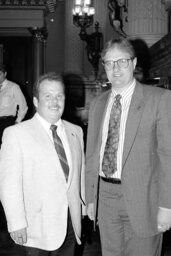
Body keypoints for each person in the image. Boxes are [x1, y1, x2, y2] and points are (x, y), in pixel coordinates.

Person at [85, 38, 171, 256]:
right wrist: (91, 198)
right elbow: (92, 155)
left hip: (144, 199)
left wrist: (167, 206)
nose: (115, 68)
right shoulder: (97, 104)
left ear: (133, 64)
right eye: (109, 63)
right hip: (105, 197)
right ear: (103, 66)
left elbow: (167, 156)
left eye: (122, 61)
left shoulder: (160, 99)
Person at [0, 72, 86, 256]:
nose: (55, 101)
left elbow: (80, 175)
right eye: (48, 96)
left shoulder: (75, 131)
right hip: (36, 228)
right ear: (36, 102)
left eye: (59, 96)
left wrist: (83, 209)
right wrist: (16, 223)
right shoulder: (16, 134)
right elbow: (9, 184)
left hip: (70, 224)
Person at [0, 64, 28, 146]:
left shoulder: (13, 87)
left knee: (6, 148)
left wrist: (17, 122)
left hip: (6, 123)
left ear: (5, 74)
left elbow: (23, 106)